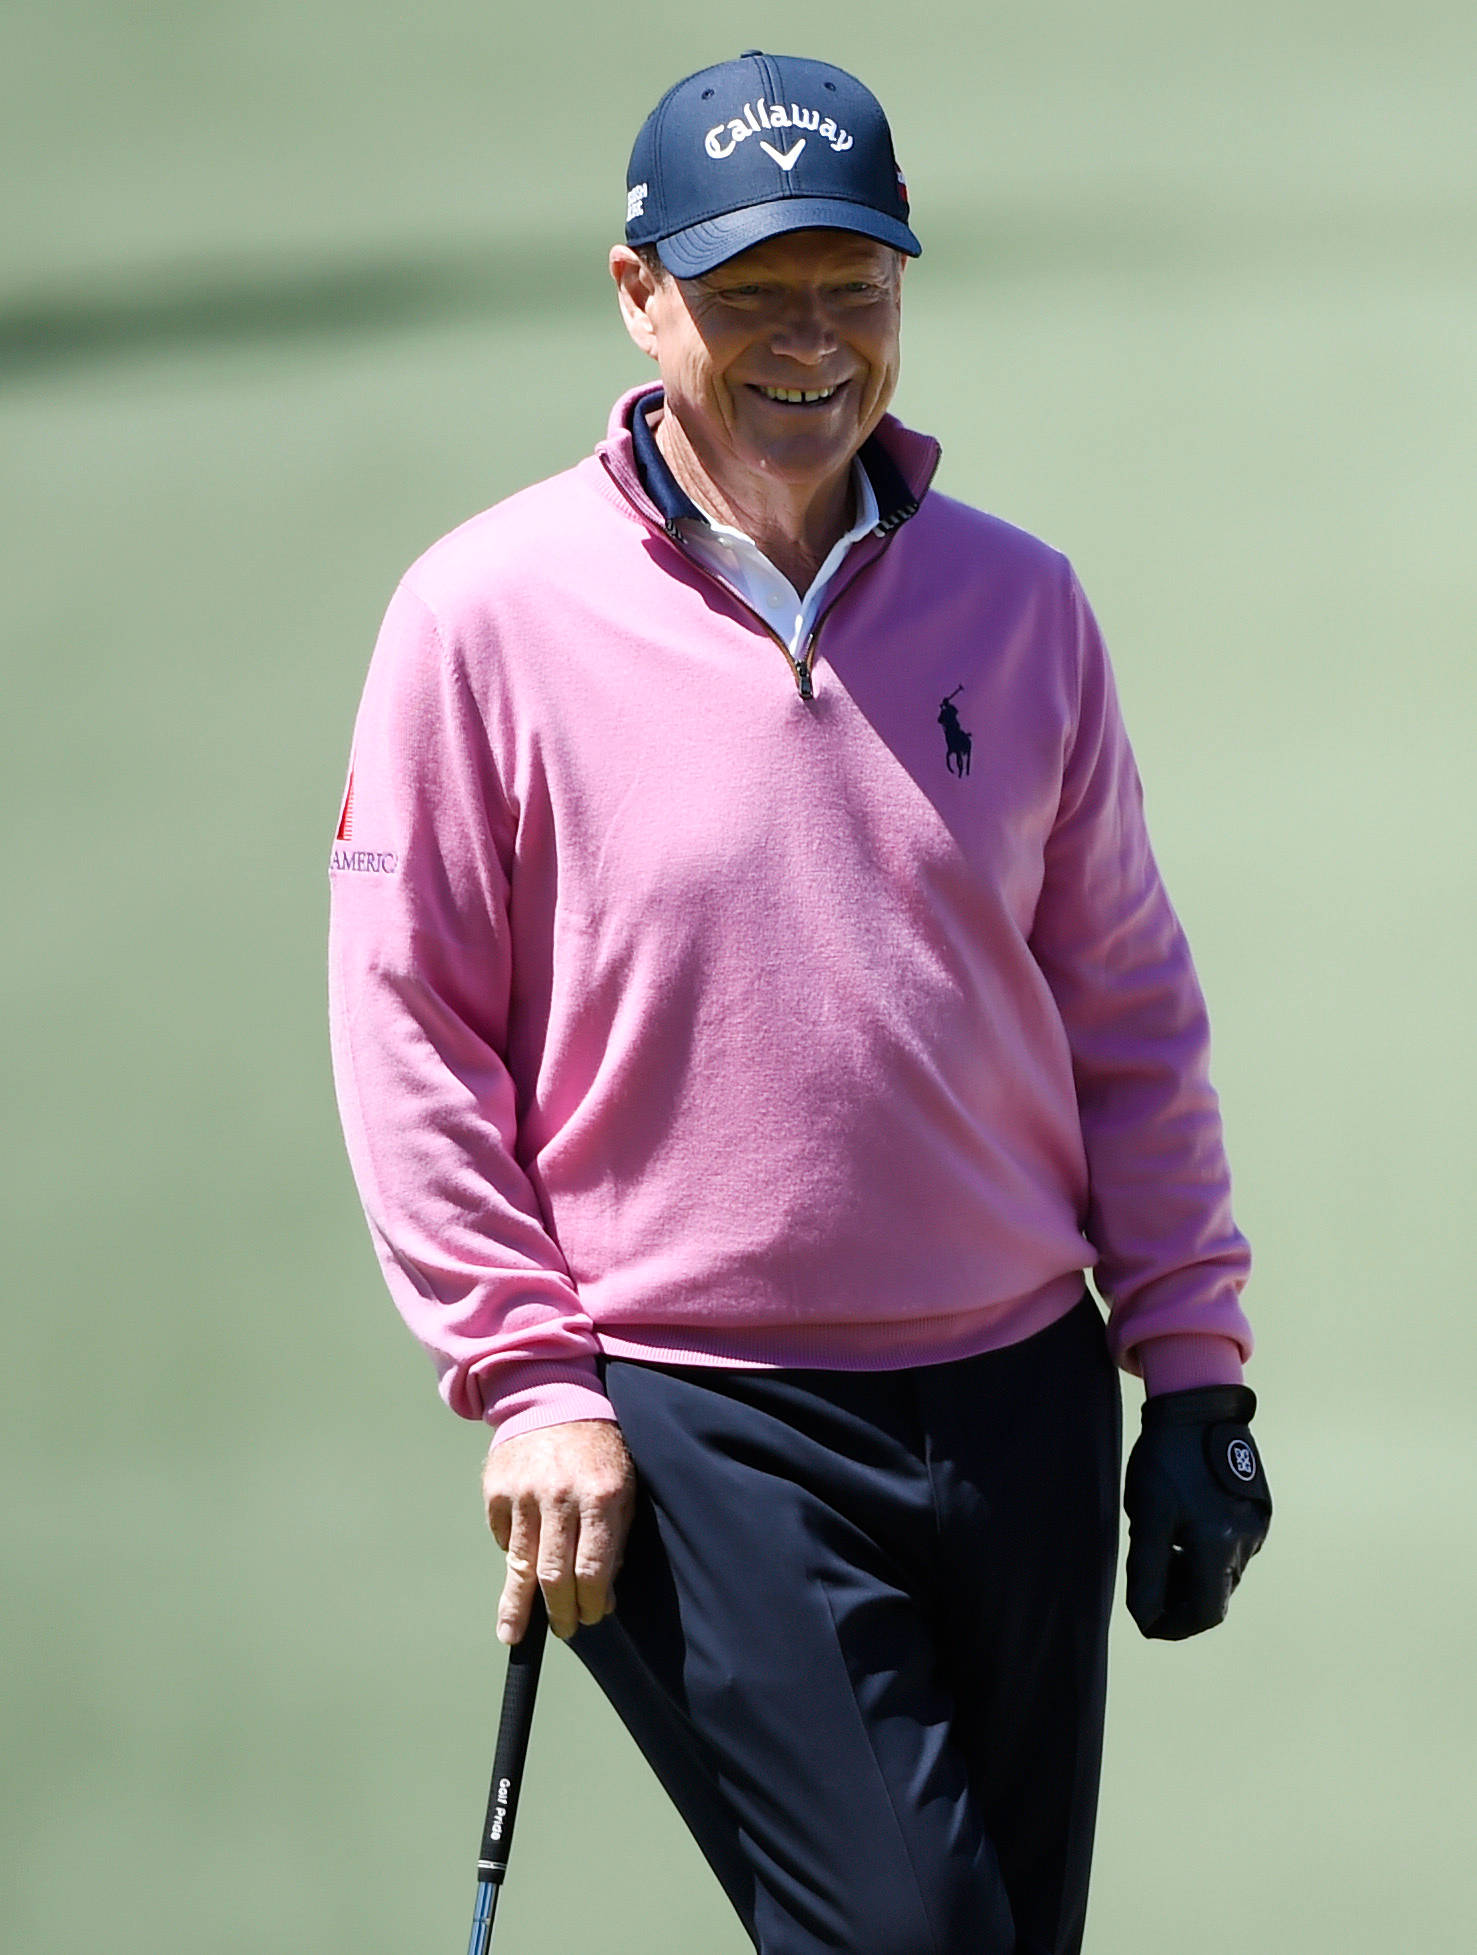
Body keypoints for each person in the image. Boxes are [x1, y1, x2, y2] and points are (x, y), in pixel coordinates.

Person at [329, 49, 1272, 1955]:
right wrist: (529, 1383)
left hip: (1016, 1396)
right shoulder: (481, 615)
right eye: (754, 292)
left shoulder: (1021, 605)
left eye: (855, 286)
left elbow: (1125, 1008)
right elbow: (410, 1024)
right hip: (703, 1422)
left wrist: (1193, 1370)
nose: (813, 341)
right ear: (638, 291)